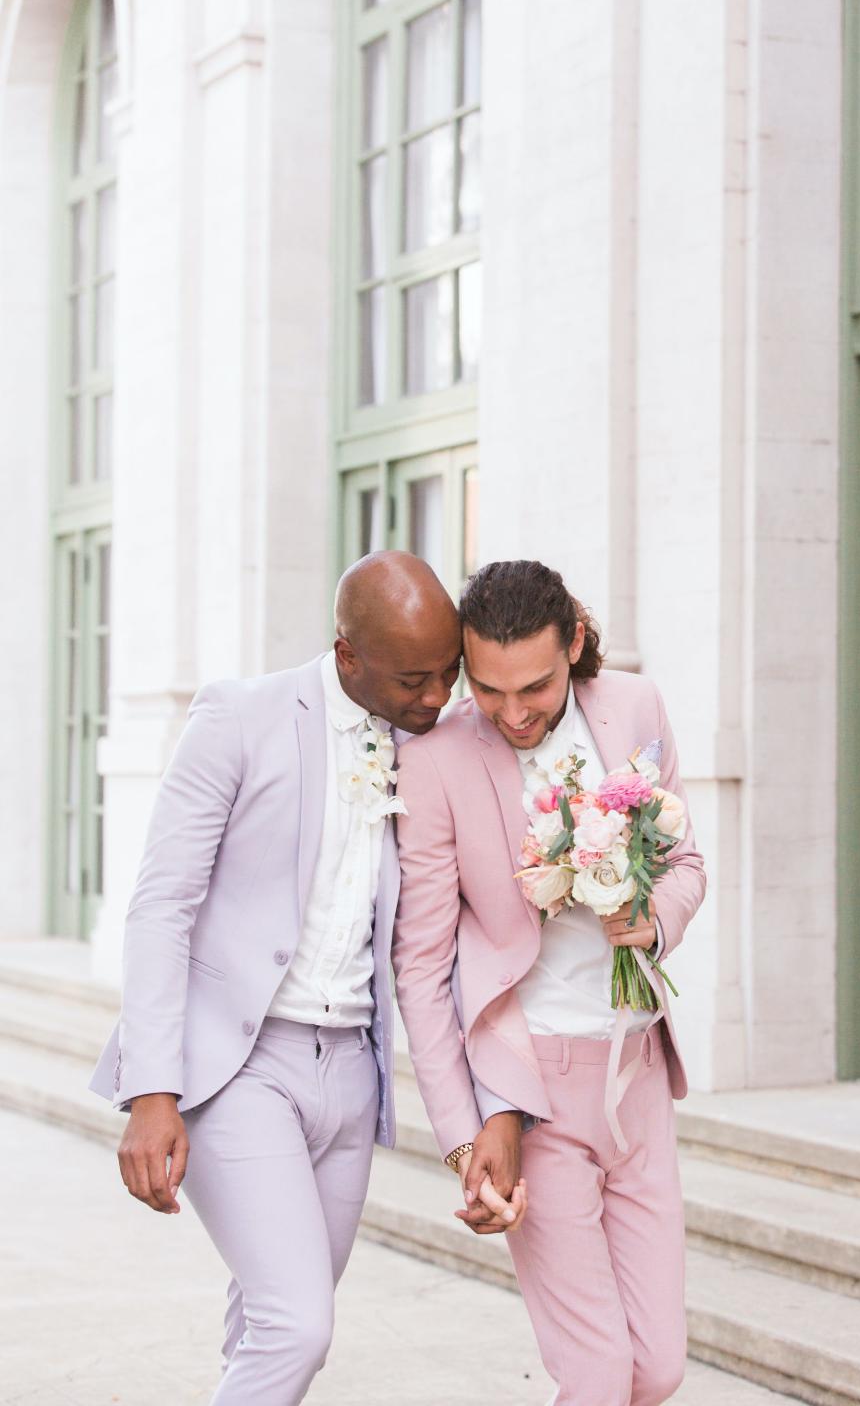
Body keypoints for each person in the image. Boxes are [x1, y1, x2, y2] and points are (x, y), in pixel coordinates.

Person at [89, 550, 520, 1405]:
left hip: (352, 1078)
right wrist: (152, 1090)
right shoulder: (239, 718)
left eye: (447, 675)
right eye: (414, 679)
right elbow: (161, 905)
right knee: (298, 1323)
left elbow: (447, 943)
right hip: (239, 1067)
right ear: (347, 655)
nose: (437, 697)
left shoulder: (431, 744)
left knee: (265, 1315)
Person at [392, 559, 706, 1406]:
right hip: (533, 1088)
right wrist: (464, 1133)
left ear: (574, 641)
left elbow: (685, 863)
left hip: (637, 1073)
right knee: (598, 1373)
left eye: (533, 686)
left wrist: (656, 918)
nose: (514, 713)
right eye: (490, 691)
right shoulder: (435, 759)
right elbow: (420, 965)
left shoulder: (634, 708)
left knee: (659, 1369)